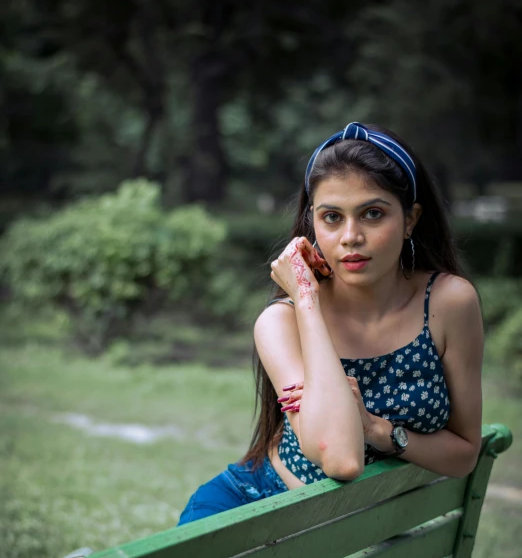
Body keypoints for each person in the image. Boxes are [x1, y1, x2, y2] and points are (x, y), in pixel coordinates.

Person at [178, 121, 484, 525]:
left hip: (351, 538)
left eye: (372, 214)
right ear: (312, 224)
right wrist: (307, 300)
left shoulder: (448, 303)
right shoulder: (282, 322)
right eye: (332, 217)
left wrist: (381, 432)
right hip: (258, 507)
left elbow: (464, 452)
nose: (351, 236)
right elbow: (339, 458)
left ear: (410, 219)